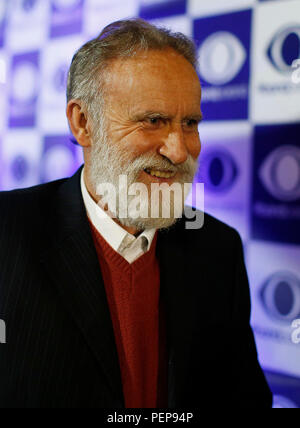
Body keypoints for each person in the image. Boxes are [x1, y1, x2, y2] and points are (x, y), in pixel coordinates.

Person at [0, 18, 272, 408]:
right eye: (154, 121)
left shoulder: (218, 248)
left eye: (190, 123)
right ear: (83, 122)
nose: (179, 151)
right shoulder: (7, 232)